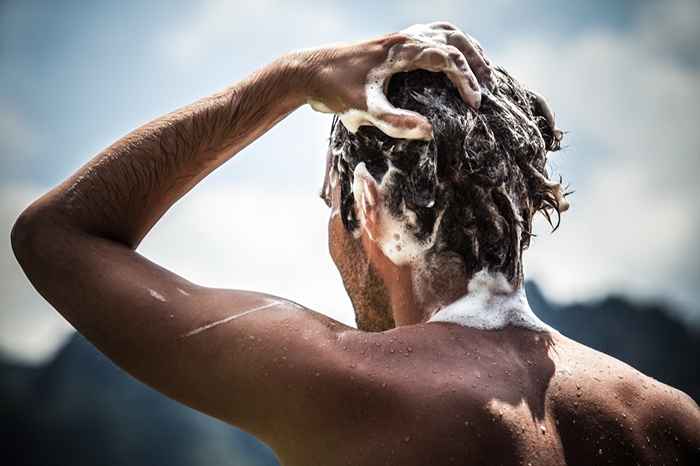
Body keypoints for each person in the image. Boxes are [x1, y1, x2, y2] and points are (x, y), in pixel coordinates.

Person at [11, 22, 699, 466]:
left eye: (331, 207)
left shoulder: (347, 385)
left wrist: (289, 78)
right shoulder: (666, 419)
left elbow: (56, 236)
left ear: (371, 209)